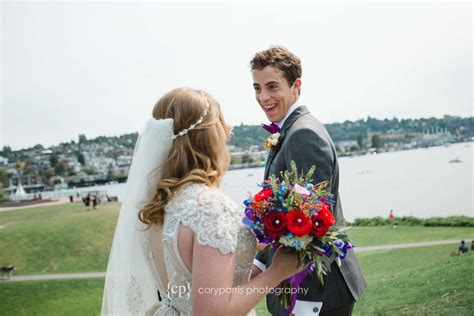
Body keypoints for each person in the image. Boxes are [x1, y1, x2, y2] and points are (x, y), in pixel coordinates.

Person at [102, 88, 302, 315]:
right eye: (221, 125)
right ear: (209, 138)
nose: (227, 132)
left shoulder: (157, 204)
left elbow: (193, 282)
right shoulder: (210, 207)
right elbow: (213, 311)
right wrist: (277, 272)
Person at [249, 46, 367, 316]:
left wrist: (262, 268)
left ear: (296, 85)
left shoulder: (303, 135)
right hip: (300, 286)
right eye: (257, 88)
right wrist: (260, 261)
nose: (263, 97)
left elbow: (307, 225)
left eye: (272, 86)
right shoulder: (290, 131)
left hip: (317, 289)